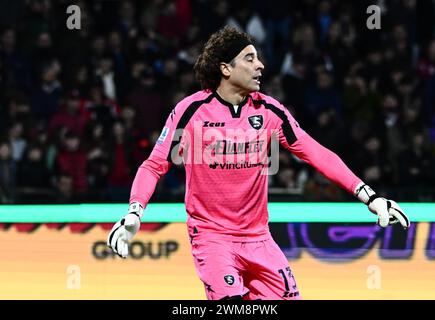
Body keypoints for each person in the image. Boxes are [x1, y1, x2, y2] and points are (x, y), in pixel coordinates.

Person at [107, 26, 410, 300]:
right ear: (225, 68)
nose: (260, 65)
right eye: (250, 59)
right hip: (213, 239)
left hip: (259, 239)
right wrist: (135, 213)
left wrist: (369, 197)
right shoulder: (191, 111)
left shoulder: (269, 111)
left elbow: (316, 152)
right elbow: (154, 164)